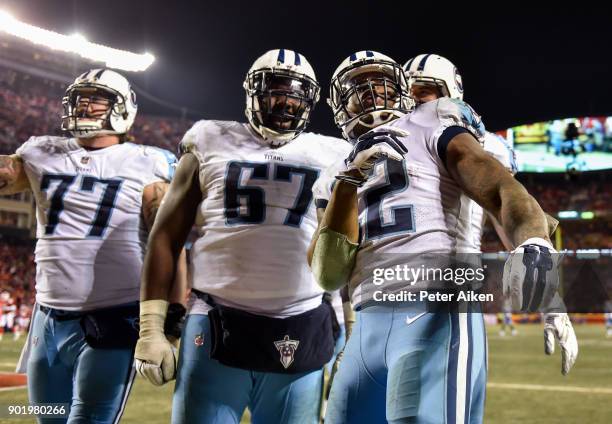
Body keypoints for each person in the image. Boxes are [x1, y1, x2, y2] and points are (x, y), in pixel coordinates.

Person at [308, 51, 578, 423]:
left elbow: (499, 190)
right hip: (368, 319)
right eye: (359, 91)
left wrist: (544, 274)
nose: (372, 96)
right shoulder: (333, 171)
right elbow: (328, 274)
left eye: (427, 90)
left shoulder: (437, 121)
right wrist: (345, 187)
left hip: (436, 302)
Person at [133, 49, 351, 424]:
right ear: (252, 92)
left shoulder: (333, 153)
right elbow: (166, 236)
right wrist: (151, 327)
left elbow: (350, 252)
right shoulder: (208, 139)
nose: (284, 101)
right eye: (275, 90)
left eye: (295, 93)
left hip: (301, 320)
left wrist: (354, 329)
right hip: (217, 319)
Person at [0, 68, 184, 423]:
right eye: (79, 99)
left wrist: (170, 321)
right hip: (48, 319)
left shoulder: (149, 163)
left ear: (122, 108)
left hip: (113, 316)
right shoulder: (40, 152)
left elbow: (172, 245)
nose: (84, 108)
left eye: (95, 100)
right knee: (47, 417)